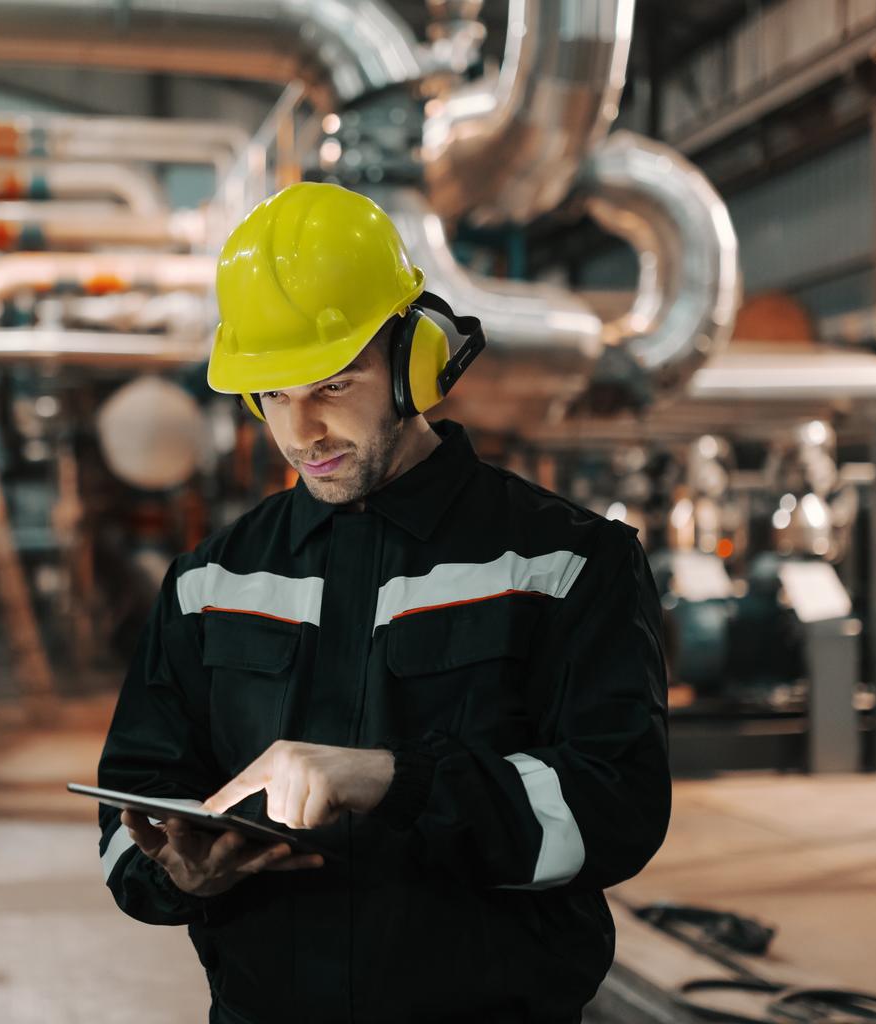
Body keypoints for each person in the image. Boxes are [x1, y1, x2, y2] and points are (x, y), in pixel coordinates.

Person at [95, 181, 670, 1024]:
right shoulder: (209, 584)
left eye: (331, 385)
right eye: (273, 395)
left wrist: (389, 780)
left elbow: (616, 811)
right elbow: (127, 810)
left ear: (413, 361)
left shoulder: (566, 563)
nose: (302, 435)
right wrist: (174, 870)